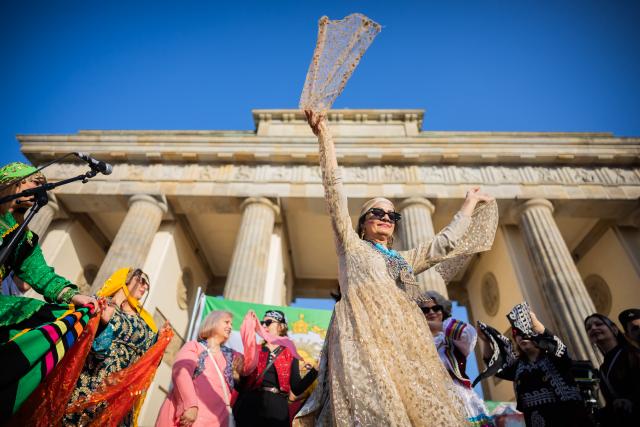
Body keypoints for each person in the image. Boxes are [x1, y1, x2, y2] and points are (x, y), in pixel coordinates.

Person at [294, 111, 498, 426]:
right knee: (374, 407)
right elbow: (334, 192)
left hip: (404, 336)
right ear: (362, 223)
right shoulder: (351, 244)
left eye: (392, 215)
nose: (386, 218)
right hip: (361, 332)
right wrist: (325, 137)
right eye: (377, 212)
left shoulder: (403, 259)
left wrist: (468, 204)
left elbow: (441, 245)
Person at [0, 161, 97, 416]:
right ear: (16, 181)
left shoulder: (22, 236)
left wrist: (76, 296)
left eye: (44, 186)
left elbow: (40, 274)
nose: (40, 191)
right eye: (35, 183)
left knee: (48, 315)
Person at [65, 267, 159, 426]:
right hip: (93, 383)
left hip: (121, 392)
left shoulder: (145, 321)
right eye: (141, 281)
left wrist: (162, 337)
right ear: (126, 279)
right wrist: (104, 321)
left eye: (147, 286)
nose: (144, 288)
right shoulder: (102, 303)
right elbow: (85, 335)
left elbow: (150, 352)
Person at [476, 303, 591, 426]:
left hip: (569, 419)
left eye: (524, 332)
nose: (521, 336)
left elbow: (560, 349)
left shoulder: (554, 356)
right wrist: (486, 341)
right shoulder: (518, 366)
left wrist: (536, 324)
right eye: (516, 334)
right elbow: (494, 365)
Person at [156, 310, 247, 427]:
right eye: (226, 322)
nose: (230, 327)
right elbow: (181, 372)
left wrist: (249, 329)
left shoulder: (233, 355)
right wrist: (190, 405)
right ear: (213, 322)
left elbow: (251, 364)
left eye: (231, 324)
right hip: (190, 417)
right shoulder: (194, 346)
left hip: (219, 421)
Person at [418, 291, 493, 426]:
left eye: (436, 308)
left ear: (443, 310)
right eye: (425, 310)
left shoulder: (451, 339)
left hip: (457, 395)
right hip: (428, 396)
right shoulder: (415, 341)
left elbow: (468, 333)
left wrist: (435, 326)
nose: (431, 312)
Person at [235, 310, 318, 427]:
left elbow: (296, 388)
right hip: (251, 405)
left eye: (268, 322)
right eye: (262, 322)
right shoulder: (255, 349)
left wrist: (315, 370)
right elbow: (242, 387)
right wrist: (237, 375)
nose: (264, 325)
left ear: (281, 326)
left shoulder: (289, 351)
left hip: (277, 408)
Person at [585, 313, 640, 426]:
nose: (593, 328)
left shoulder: (632, 353)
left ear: (614, 329)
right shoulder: (602, 370)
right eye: (589, 328)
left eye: (599, 324)